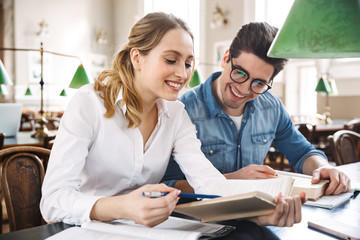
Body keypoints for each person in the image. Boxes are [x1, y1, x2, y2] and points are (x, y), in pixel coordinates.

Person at [41, 14, 304, 228]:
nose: (182, 73)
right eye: (171, 60)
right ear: (137, 58)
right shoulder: (89, 103)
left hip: (147, 232)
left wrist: (257, 213)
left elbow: (209, 183)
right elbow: (52, 202)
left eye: (189, 63)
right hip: (81, 229)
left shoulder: (176, 114)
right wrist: (122, 207)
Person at [162, 22, 351, 196]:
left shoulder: (272, 107)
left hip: (259, 218)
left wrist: (324, 167)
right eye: (240, 73)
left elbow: (302, 153)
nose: (243, 89)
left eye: (259, 83)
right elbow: (168, 185)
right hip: (203, 222)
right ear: (226, 58)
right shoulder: (184, 110)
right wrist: (233, 180)